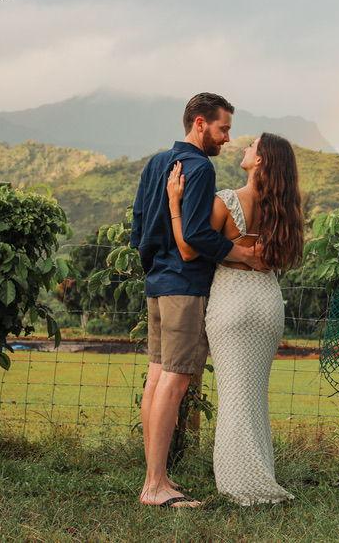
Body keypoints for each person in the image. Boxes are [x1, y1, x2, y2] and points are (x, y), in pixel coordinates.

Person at [130, 92, 267, 508]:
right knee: (175, 380)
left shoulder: (157, 162)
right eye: (223, 128)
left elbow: (139, 225)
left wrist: (156, 266)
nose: (227, 138)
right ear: (200, 123)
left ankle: (155, 477)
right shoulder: (200, 167)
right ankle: (155, 485)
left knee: (157, 376)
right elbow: (195, 236)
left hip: (158, 282)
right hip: (185, 286)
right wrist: (241, 254)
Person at [167, 132, 304, 505]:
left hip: (233, 301)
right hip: (268, 302)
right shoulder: (284, 211)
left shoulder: (228, 200)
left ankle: (241, 483)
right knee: (254, 394)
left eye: (252, 146)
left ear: (260, 160)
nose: (245, 148)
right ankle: (259, 474)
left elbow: (188, 249)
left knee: (233, 395)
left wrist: (175, 204)